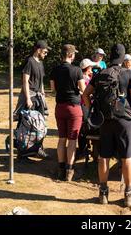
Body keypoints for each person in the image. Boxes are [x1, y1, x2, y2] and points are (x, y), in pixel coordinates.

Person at [83, 43, 131, 208]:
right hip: (124, 120)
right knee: (126, 157)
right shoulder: (128, 74)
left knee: (104, 156)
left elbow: (86, 94)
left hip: (105, 120)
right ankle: (129, 194)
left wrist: (92, 111)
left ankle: (103, 193)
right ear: (123, 57)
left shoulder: (101, 73)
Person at [50, 44, 83, 181]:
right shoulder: (77, 70)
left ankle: (60, 169)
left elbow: (53, 90)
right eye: (74, 54)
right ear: (70, 55)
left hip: (60, 107)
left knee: (61, 138)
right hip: (74, 107)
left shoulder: (55, 70)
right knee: (72, 140)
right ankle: (69, 171)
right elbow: (83, 89)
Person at [14, 39, 50, 159]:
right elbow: (25, 80)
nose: (46, 54)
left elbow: (41, 81)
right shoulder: (29, 61)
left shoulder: (40, 63)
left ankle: (37, 149)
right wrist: (28, 99)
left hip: (38, 97)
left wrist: (43, 93)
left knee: (40, 125)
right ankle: (22, 153)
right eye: (44, 52)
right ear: (38, 50)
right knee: (25, 124)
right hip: (30, 97)